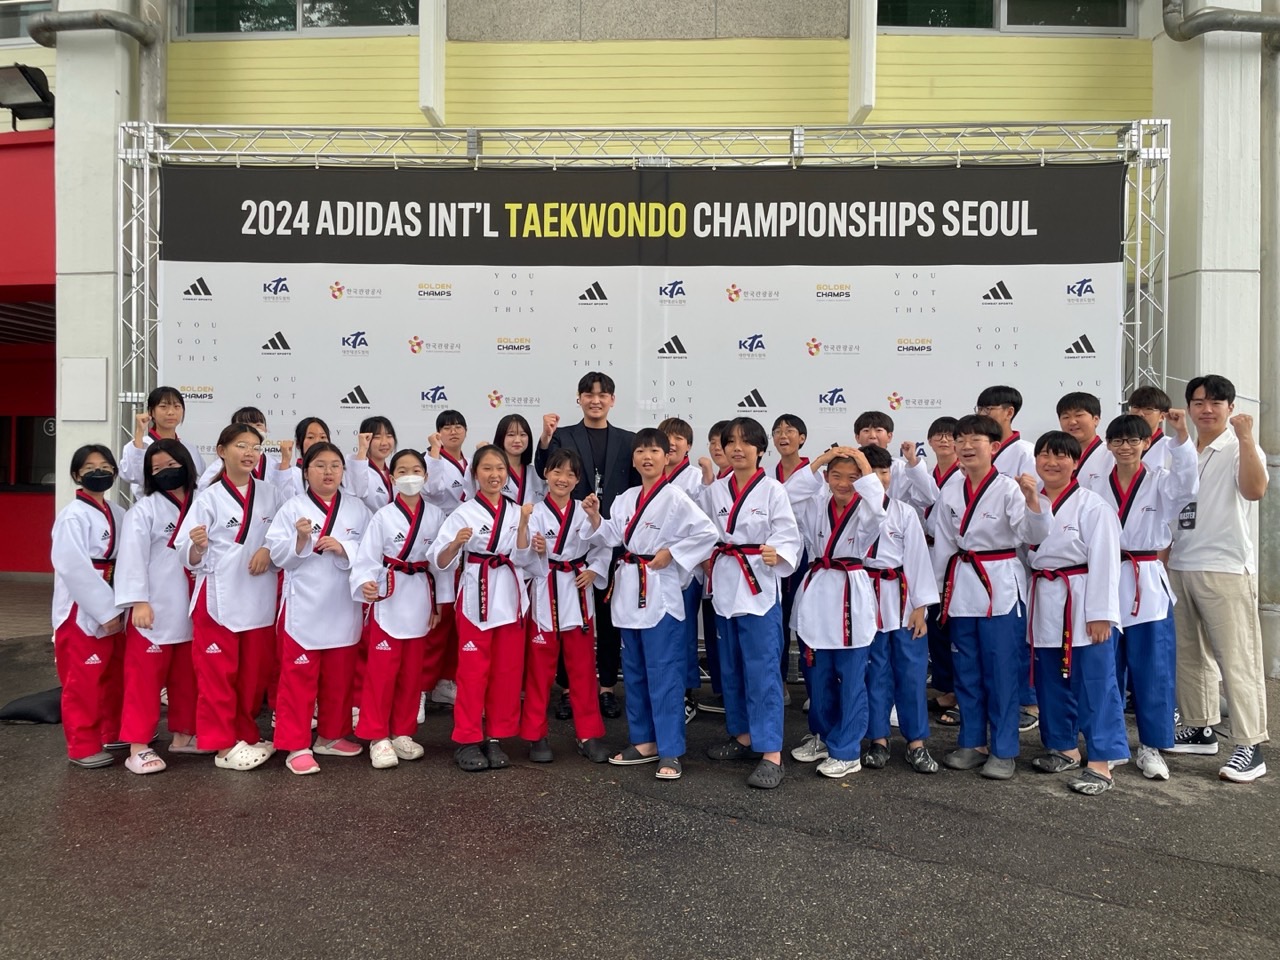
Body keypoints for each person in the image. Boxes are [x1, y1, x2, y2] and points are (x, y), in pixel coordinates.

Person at [584, 429, 716, 781]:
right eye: (641, 451)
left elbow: (707, 533)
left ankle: (670, 749)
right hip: (629, 591)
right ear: (633, 459)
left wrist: (672, 552)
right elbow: (613, 536)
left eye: (654, 451)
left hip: (660, 591)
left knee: (664, 673)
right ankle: (643, 741)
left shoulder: (675, 497)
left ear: (666, 456)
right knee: (635, 671)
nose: (647, 456)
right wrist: (596, 517)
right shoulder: (625, 498)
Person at [934, 414, 1049, 780]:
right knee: (966, 669)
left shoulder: (1009, 488)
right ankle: (972, 742)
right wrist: (937, 590)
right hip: (962, 585)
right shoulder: (951, 489)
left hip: (1000, 584)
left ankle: (1003, 748)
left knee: (1001, 671)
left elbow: (1034, 536)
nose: (966, 446)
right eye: (961, 440)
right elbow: (944, 544)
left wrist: (1033, 500)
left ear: (995, 447)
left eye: (976, 440)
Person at [1167, 374, 1270, 782]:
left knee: (1237, 658)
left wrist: (1245, 437)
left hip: (1225, 567)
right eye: (1198, 402)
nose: (1206, 409)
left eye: (1215, 402)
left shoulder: (1239, 446)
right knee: (1190, 654)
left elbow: (1255, 490)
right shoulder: (1184, 449)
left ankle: (1251, 745)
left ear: (1230, 407)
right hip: (1181, 563)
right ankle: (1200, 726)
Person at [700, 417, 804, 789]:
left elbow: (789, 535)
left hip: (758, 589)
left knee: (762, 671)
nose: (737, 449)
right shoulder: (715, 491)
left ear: (761, 449)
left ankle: (771, 752)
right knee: (731, 668)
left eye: (746, 442)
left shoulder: (773, 489)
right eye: (731, 442)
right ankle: (743, 736)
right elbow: (703, 532)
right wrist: (704, 555)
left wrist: (779, 552)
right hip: (726, 585)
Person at [1095, 411, 1197, 780]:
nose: (1125, 447)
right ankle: (1111, 744)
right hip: (1106, 579)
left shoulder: (1161, 482)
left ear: (1147, 443)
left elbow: (1189, 486)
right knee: (1106, 668)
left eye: (1133, 440)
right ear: (1108, 445)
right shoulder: (1095, 484)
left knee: (1153, 669)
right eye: (1118, 440)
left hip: (1147, 581)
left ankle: (1152, 746)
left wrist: (1181, 435)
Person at [1025, 431, 1127, 795]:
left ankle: (1102, 761)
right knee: (1051, 680)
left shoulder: (1093, 506)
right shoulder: (1030, 502)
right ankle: (1063, 747)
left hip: (1082, 600)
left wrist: (1101, 613)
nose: (1052, 463)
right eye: (1045, 455)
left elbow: (1106, 562)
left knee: (1095, 682)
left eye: (1061, 456)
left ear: (1076, 462)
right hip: (1045, 598)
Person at [175, 423, 280, 772]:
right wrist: (198, 546)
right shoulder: (208, 498)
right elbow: (185, 550)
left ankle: (245, 734)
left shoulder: (271, 494)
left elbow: (281, 534)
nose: (249, 453)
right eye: (241, 445)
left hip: (259, 594)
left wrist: (268, 548)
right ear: (221, 451)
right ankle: (222, 745)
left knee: (252, 676)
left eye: (255, 447)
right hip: (219, 597)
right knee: (218, 676)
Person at [429, 445, 540, 772]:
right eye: (487, 468)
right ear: (475, 474)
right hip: (477, 596)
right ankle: (467, 738)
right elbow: (439, 559)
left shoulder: (517, 511)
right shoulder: (463, 513)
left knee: (506, 672)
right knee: (473, 671)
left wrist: (524, 530)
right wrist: (455, 544)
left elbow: (526, 560)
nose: (494, 475)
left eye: (500, 469)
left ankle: (495, 736)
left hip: (509, 596)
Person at [535, 372, 639, 721]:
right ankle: (567, 690)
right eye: (589, 394)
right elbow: (544, 468)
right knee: (567, 621)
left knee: (608, 619)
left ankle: (607, 687)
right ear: (579, 398)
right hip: (571, 544)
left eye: (602, 394)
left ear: (612, 400)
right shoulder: (563, 436)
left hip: (611, 540)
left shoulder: (628, 440)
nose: (596, 400)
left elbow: (637, 490)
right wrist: (545, 438)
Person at [266, 442, 370, 775]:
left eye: (335, 465)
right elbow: (276, 555)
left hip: (342, 603)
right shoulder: (292, 508)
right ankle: (295, 744)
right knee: (299, 679)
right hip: (305, 605)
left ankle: (330, 735)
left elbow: (372, 550)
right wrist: (300, 541)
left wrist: (345, 547)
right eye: (320, 465)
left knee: (339, 676)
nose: (328, 472)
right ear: (306, 471)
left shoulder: (357, 508)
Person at [789, 446, 886, 779]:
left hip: (850, 594)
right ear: (826, 477)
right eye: (836, 476)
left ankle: (847, 751)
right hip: (818, 591)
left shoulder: (868, 509)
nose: (844, 483)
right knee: (818, 677)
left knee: (852, 679)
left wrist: (863, 463)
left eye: (853, 477)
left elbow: (878, 502)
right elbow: (788, 496)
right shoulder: (816, 504)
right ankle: (822, 736)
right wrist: (818, 461)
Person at [350, 449, 445, 769]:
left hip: (420, 597)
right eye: (402, 470)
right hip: (389, 596)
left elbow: (440, 566)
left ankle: (402, 731)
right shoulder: (383, 516)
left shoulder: (436, 516)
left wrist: (439, 604)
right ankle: (377, 736)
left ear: (426, 476)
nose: (410, 476)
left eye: (416, 470)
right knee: (382, 673)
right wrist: (366, 583)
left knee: (411, 672)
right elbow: (367, 558)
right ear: (391, 478)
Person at [114, 439, 202, 774]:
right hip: (155, 609)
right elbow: (131, 557)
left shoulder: (203, 502)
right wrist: (138, 601)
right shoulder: (144, 510)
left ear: (186, 464)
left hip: (193, 607)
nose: (166, 472)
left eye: (172, 465)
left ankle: (184, 735)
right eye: (158, 468)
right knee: (145, 681)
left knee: (187, 678)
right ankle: (138, 746)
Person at [520, 448, 612, 763]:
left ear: (577, 479)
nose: (563, 479)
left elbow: (604, 545)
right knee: (539, 671)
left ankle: (588, 734)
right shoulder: (532, 512)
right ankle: (536, 735)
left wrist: (594, 570)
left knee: (583, 669)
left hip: (576, 593)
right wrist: (536, 552)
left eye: (570, 474)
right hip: (545, 592)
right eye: (557, 472)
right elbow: (520, 557)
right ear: (546, 474)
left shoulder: (585, 510)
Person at [858, 444, 941, 774]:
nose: (880, 479)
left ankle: (916, 742)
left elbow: (918, 560)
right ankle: (878, 739)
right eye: (872, 473)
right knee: (874, 672)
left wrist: (921, 606)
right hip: (866, 596)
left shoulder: (904, 512)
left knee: (911, 672)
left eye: (884, 472)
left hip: (903, 599)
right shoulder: (850, 511)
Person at [51, 445, 127, 768]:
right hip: (80, 607)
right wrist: (104, 610)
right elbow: (73, 567)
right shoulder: (72, 516)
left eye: (106, 466)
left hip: (115, 594)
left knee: (113, 673)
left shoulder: (119, 512)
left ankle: (112, 729)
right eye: (90, 467)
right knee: (83, 679)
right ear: (76, 475)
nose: (99, 472)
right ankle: (82, 745)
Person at [975, 386, 1039, 730]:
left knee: (1018, 635)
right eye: (981, 409)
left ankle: (1028, 701)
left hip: (1016, 555)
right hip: (979, 561)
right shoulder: (976, 449)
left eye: (990, 409)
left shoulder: (1024, 452)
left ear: (1009, 411)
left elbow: (1036, 501)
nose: (984, 414)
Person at [422, 408, 474, 711]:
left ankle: (445, 682)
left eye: (458, 426)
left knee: (457, 621)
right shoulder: (432, 458)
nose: (453, 432)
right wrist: (434, 452)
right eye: (447, 427)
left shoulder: (471, 463)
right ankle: (420, 688)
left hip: (468, 548)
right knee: (438, 619)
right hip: (442, 545)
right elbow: (431, 489)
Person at [770, 414, 823, 712]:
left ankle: (816, 689)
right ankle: (779, 685)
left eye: (790, 431)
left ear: (802, 438)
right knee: (774, 626)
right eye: (777, 431)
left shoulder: (819, 477)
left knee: (808, 625)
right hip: (773, 558)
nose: (783, 435)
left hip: (807, 559)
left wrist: (817, 466)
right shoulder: (767, 476)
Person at [658, 416, 706, 725]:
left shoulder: (696, 478)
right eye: (667, 438)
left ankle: (686, 694)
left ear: (688, 445)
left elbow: (705, 526)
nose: (672, 443)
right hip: (655, 568)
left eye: (679, 438)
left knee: (685, 634)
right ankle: (665, 690)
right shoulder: (649, 477)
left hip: (685, 568)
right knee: (660, 633)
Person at [920, 416, 962, 726]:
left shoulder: (964, 475)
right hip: (927, 554)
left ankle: (962, 693)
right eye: (938, 436)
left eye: (950, 436)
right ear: (930, 441)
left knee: (957, 631)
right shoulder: (921, 473)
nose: (944, 441)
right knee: (936, 627)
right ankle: (947, 689)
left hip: (957, 558)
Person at [694, 419, 732, 716]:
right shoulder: (717, 481)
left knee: (729, 635)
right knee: (714, 632)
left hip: (735, 568)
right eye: (712, 442)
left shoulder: (739, 484)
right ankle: (722, 690)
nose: (716, 448)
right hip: (712, 563)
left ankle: (732, 694)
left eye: (723, 442)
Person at [119, 386, 207, 499]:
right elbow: (132, 475)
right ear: (151, 412)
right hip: (152, 507)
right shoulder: (139, 444)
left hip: (187, 507)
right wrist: (139, 432)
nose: (171, 412)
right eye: (163, 407)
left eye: (177, 406)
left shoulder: (189, 448)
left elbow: (200, 481)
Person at [197, 406, 270, 489]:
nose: (253, 429)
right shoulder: (217, 468)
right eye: (242, 446)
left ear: (266, 429)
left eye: (258, 425)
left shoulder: (275, 463)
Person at [975, 385, 1036, 479]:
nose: (982, 414)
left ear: (1009, 413)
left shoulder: (1026, 452)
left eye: (988, 409)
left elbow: (1033, 487)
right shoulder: (975, 448)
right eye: (980, 409)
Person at [1056, 391, 1114, 486]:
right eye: (1066, 417)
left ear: (1096, 419)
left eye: (1079, 415)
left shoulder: (1112, 454)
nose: (1072, 422)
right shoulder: (1054, 456)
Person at [350, 415, 399, 513]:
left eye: (389, 436)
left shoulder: (392, 472)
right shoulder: (356, 470)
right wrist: (362, 449)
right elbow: (358, 491)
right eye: (377, 437)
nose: (384, 443)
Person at [496, 413, 546, 506]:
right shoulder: (493, 471)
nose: (517, 440)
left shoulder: (536, 473)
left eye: (523, 435)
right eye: (511, 435)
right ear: (501, 437)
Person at [1128, 385, 1175, 469]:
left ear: (1162, 416)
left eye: (1148, 409)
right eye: (1136, 407)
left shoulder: (1171, 447)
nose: (1140, 414)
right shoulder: (1118, 444)